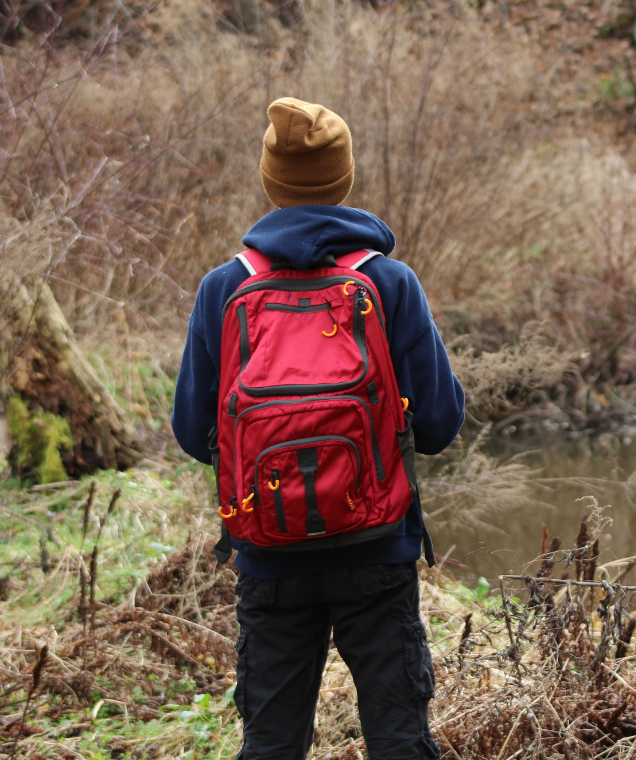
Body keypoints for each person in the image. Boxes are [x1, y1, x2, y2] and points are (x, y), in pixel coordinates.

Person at [171, 97, 465, 760]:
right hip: (376, 548)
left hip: (268, 553)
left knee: (272, 743)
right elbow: (439, 425)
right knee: (399, 740)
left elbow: (193, 432)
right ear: (345, 178)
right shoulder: (388, 282)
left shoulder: (223, 288)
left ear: (270, 182)